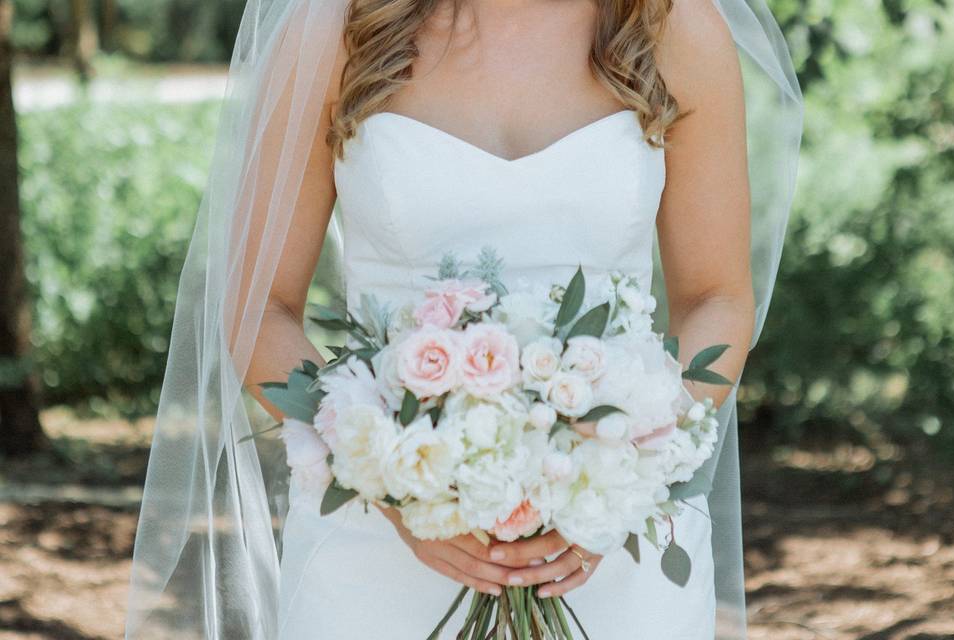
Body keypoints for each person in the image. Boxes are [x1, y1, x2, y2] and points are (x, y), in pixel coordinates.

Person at [124, 0, 803, 638]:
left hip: (613, 538)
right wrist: (393, 483)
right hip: (375, 545)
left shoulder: (668, 25)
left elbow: (716, 298)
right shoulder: (337, 27)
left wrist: (625, 471)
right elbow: (256, 307)